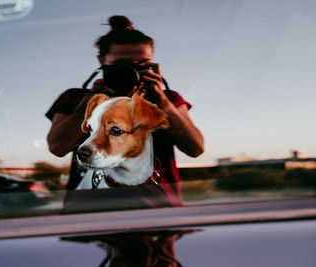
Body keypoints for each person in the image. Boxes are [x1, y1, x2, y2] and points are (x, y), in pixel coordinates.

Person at [46, 15, 204, 209]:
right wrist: (93, 99)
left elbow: (196, 148)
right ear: (101, 61)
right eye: (121, 64)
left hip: (157, 212)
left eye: (141, 64)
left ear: (152, 64)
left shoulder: (167, 99)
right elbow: (57, 146)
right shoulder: (76, 98)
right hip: (89, 212)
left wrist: (161, 99)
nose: (131, 71)